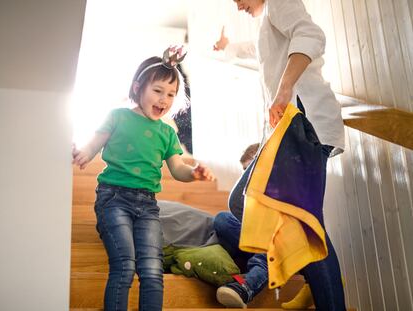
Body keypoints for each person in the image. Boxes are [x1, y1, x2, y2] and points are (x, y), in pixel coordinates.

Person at [213, 0, 346, 310]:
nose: (237, 4)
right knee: (280, 216)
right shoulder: (269, 20)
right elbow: (257, 49)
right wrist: (229, 47)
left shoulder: (279, 2)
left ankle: (317, 276)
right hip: (290, 129)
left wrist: (285, 89)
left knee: (287, 217)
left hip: (302, 123)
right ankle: (316, 275)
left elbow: (311, 35)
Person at [72, 47, 214, 311]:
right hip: (113, 199)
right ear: (138, 87)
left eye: (171, 94)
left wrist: (193, 174)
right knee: (125, 265)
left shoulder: (167, 132)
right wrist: (81, 153)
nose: (164, 99)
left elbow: (178, 168)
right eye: (158, 91)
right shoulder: (117, 116)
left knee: (152, 271)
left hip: (148, 206)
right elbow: (92, 146)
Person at [215, 143, 315, 309]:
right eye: (244, 171)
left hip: (284, 247)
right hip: (258, 243)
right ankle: (250, 276)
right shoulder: (252, 199)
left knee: (273, 245)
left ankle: (246, 287)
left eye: (248, 169)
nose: (246, 176)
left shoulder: (285, 187)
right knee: (222, 219)